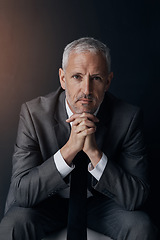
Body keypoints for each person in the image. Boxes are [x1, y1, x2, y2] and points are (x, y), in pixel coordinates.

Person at [0, 37, 158, 240]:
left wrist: (95, 154)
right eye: (77, 77)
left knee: (142, 227)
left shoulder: (128, 118)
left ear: (108, 81)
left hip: (102, 205)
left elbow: (135, 197)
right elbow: (22, 192)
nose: (86, 90)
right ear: (62, 78)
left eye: (96, 78)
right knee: (12, 226)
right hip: (48, 202)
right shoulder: (33, 114)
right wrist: (69, 149)